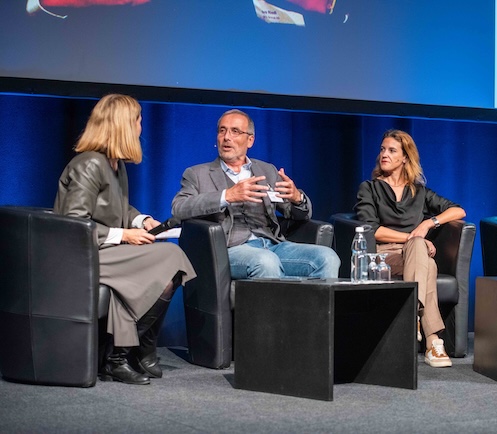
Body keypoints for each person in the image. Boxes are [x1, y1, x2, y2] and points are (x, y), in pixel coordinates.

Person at [53, 94, 196, 385]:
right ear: (122, 125)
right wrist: (124, 235)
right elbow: (72, 225)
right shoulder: (90, 164)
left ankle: (117, 358)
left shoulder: (115, 164)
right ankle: (130, 351)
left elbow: (117, 207)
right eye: (138, 120)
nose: (142, 126)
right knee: (170, 258)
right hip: (81, 257)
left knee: (154, 271)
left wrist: (140, 221)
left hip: (105, 252)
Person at [171, 109, 340, 280]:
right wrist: (226, 196)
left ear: (250, 140)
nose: (226, 137)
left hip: (272, 244)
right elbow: (179, 208)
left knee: (327, 258)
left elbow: (298, 214)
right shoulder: (197, 174)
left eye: (235, 131)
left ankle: (309, 307)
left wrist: (297, 198)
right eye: (222, 130)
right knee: (266, 262)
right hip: (230, 249)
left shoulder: (267, 170)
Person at [354, 129, 466, 368]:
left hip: (415, 253)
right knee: (427, 261)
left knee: (421, 253)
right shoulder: (369, 188)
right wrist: (413, 238)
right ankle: (434, 341)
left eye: (392, 150)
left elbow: (458, 211)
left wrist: (428, 223)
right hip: (383, 255)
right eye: (382, 149)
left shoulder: (419, 191)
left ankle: (414, 316)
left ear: (405, 157)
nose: (384, 154)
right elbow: (372, 229)